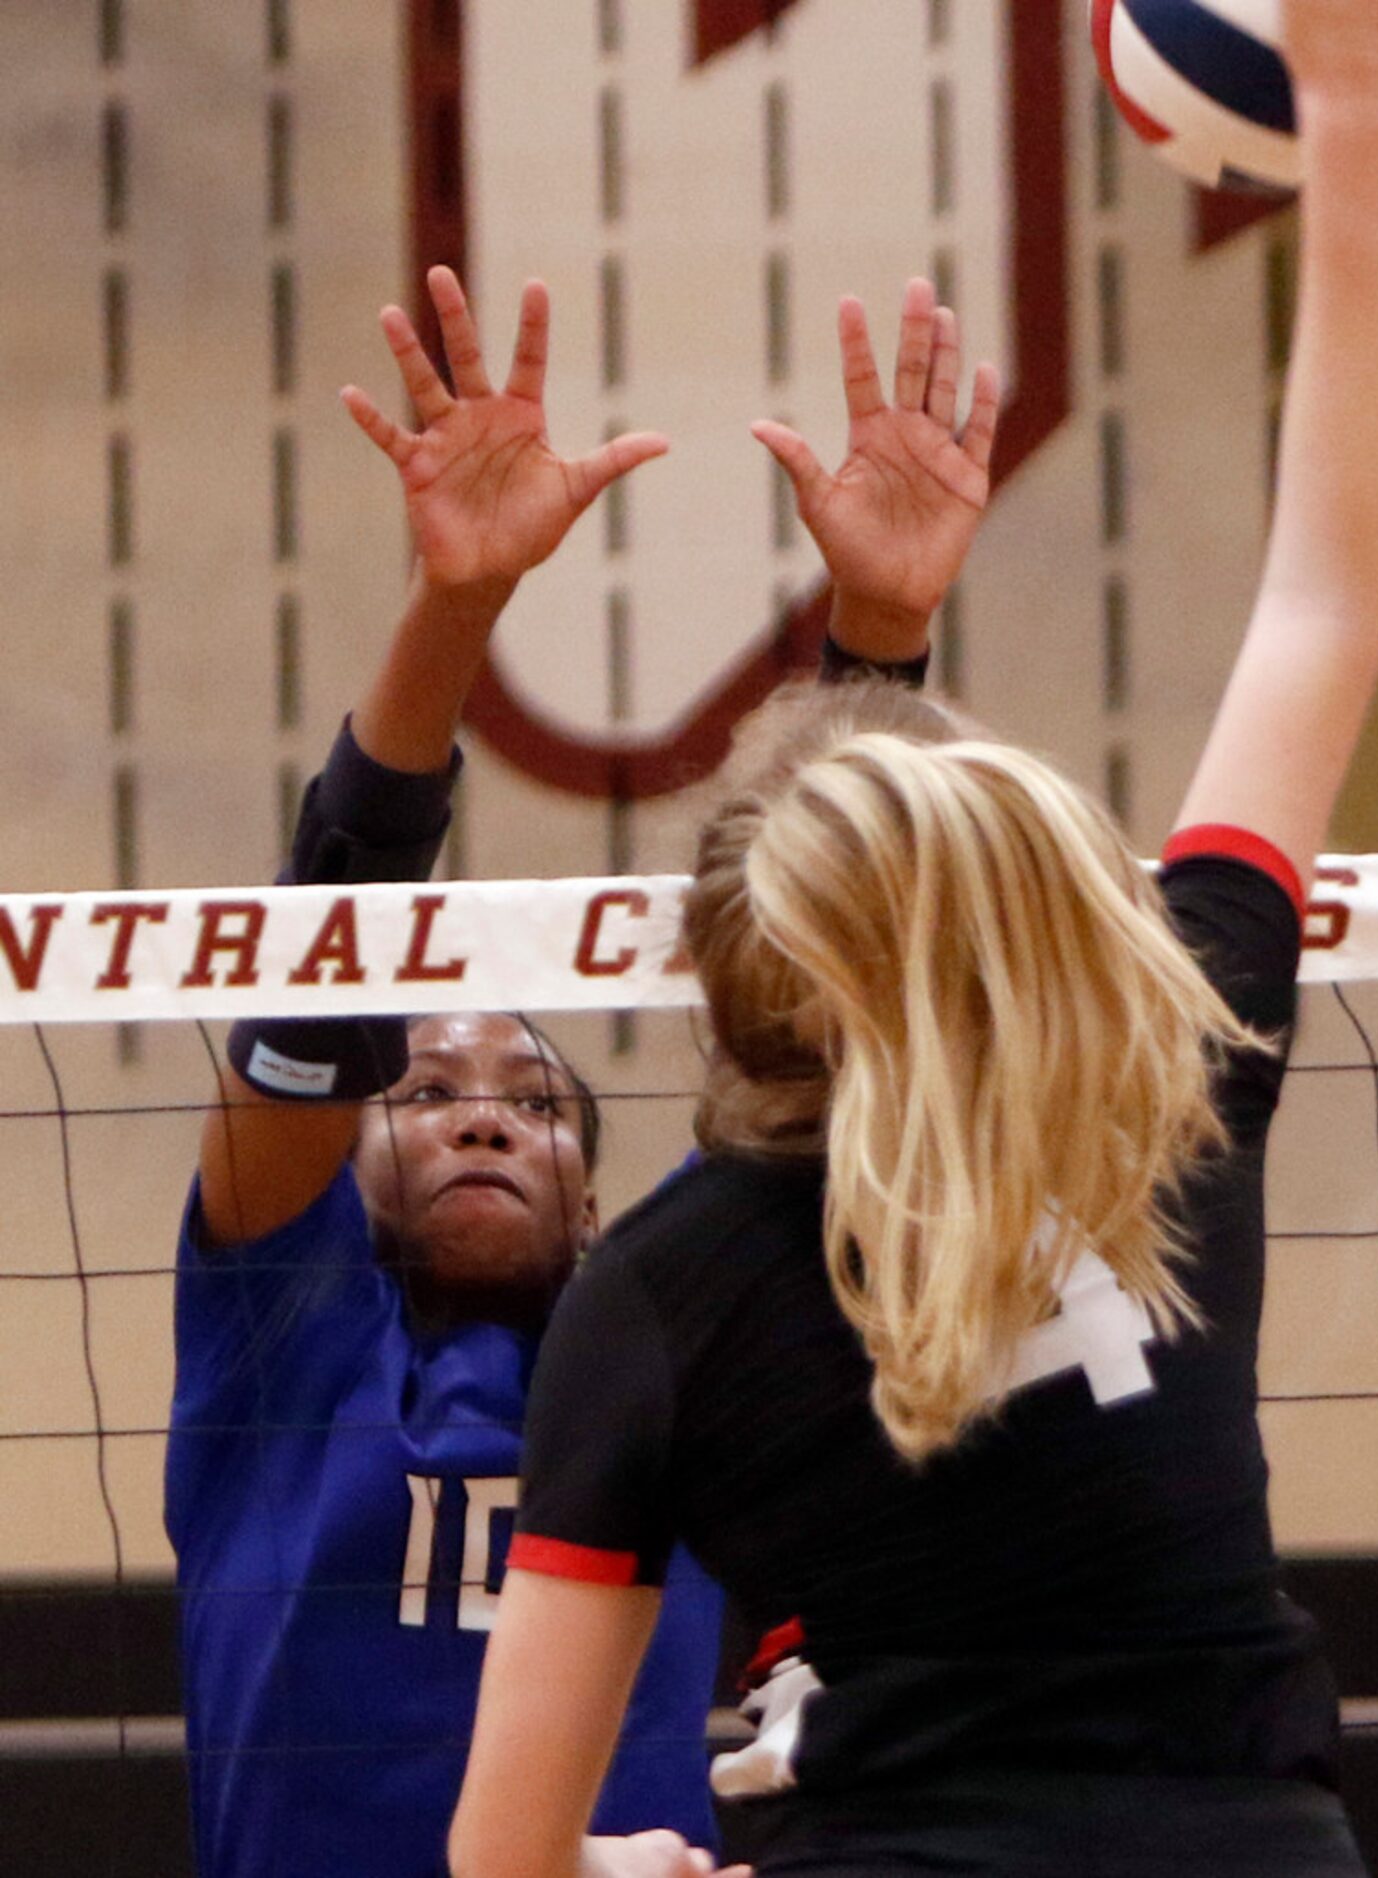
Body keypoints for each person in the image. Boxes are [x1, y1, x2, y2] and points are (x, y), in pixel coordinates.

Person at [447, 2, 1378, 1873]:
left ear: (744, 988)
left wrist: (622, 1864)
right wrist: (1355, 116)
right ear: (1035, 901)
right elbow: (1323, 599)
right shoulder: (1169, 1070)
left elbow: (499, 1857)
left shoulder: (659, 1291)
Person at [164, 270, 732, 1878]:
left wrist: (881, 634)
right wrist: (458, 607)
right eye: (425, 1091)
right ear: (347, 1157)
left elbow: (824, 1007)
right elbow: (328, 937)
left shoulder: (670, 1336)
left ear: (601, 1198)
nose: (486, 1104)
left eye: (537, 1101)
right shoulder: (285, 1339)